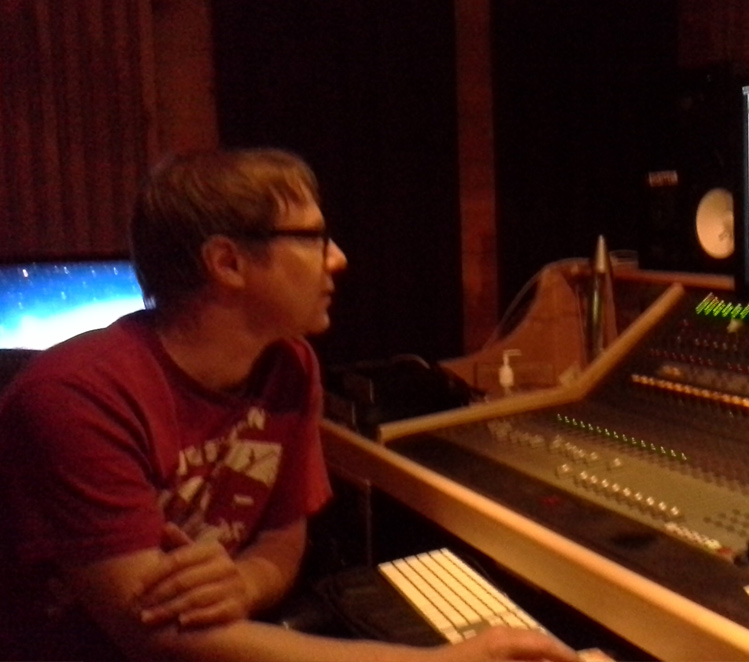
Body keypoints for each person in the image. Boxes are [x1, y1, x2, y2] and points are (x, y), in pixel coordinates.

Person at [0, 148, 580, 662]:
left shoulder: (289, 364)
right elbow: (158, 639)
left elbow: (284, 536)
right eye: (314, 239)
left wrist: (245, 582)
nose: (338, 259)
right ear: (227, 263)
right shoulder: (73, 398)